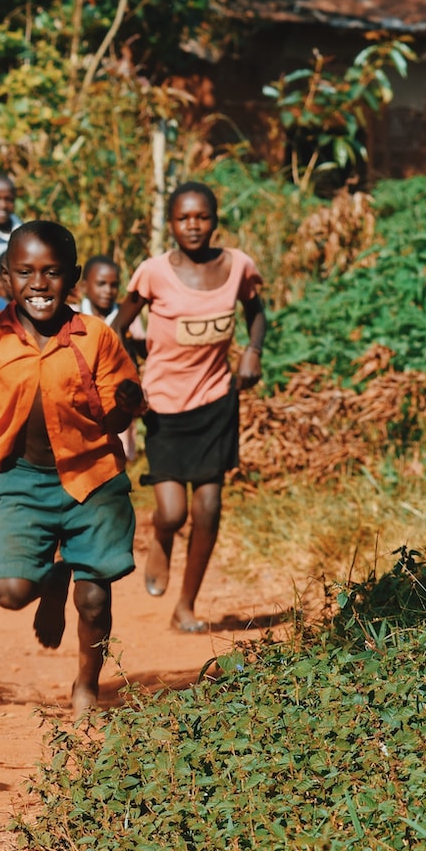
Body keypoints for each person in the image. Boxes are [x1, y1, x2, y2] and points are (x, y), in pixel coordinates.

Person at [0, 222, 145, 717]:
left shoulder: (97, 338)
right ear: (6, 278)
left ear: (75, 279)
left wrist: (127, 407)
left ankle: (87, 683)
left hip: (93, 478)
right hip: (23, 478)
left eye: (52, 273)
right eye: (25, 272)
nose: (38, 284)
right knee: (10, 592)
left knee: (94, 601)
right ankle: (51, 576)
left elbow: (113, 415)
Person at [111, 181, 266, 635]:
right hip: (163, 405)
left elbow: (257, 312)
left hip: (215, 400)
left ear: (215, 221)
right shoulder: (153, 272)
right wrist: (129, 383)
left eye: (201, 217)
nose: (193, 226)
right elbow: (116, 327)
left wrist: (252, 351)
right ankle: (161, 537)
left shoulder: (238, 266)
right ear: (171, 223)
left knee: (209, 506)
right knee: (174, 512)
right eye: (183, 218)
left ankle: (186, 606)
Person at [77, 256, 145, 463]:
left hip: (118, 398)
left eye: (114, 285)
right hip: (81, 400)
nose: (108, 290)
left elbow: (143, 350)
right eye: (101, 284)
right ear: (84, 286)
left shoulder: (127, 318)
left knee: (117, 454)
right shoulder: (73, 316)